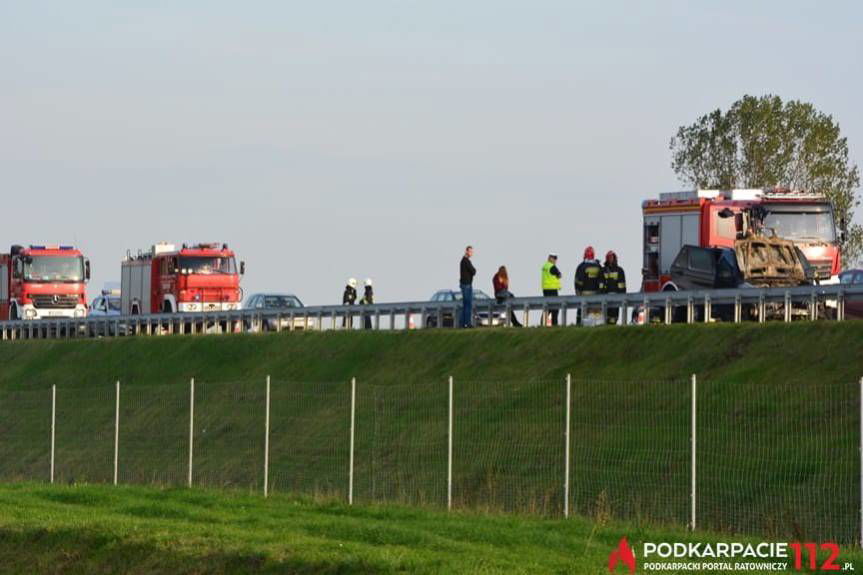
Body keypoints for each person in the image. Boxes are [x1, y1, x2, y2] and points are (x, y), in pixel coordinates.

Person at [575, 246, 605, 326]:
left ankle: (581, 325)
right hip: (596, 293)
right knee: (596, 312)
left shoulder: (582, 266)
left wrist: (578, 291)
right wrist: (601, 291)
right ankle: (596, 326)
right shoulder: (598, 266)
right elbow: (602, 280)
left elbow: (579, 281)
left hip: (585, 293)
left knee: (583, 311)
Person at [602, 251, 626, 325]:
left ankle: (612, 325)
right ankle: (609, 325)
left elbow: (622, 285)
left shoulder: (619, 270)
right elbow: (601, 283)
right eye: (610, 258)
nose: (611, 259)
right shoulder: (603, 270)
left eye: (612, 258)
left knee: (614, 315)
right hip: (606, 296)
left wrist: (622, 296)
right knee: (607, 315)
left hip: (616, 296)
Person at [541, 253, 563, 326]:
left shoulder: (545, 266)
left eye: (555, 259)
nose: (555, 260)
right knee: (555, 308)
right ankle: (554, 324)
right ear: (550, 258)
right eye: (554, 258)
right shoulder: (552, 267)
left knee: (547, 308)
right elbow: (559, 275)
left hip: (545, 289)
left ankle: (543, 323)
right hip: (552, 289)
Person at [459, 246, 476, 328]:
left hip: (465, 284)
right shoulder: (466, 261)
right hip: (467, 285)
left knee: (465, 305)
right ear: (466, 251)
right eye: (470, 251)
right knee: (468, 304)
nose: (471, 253)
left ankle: (463, 323)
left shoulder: (463, 261)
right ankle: (467, 323)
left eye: (472, 252)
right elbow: (473, 271)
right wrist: (473, 271)